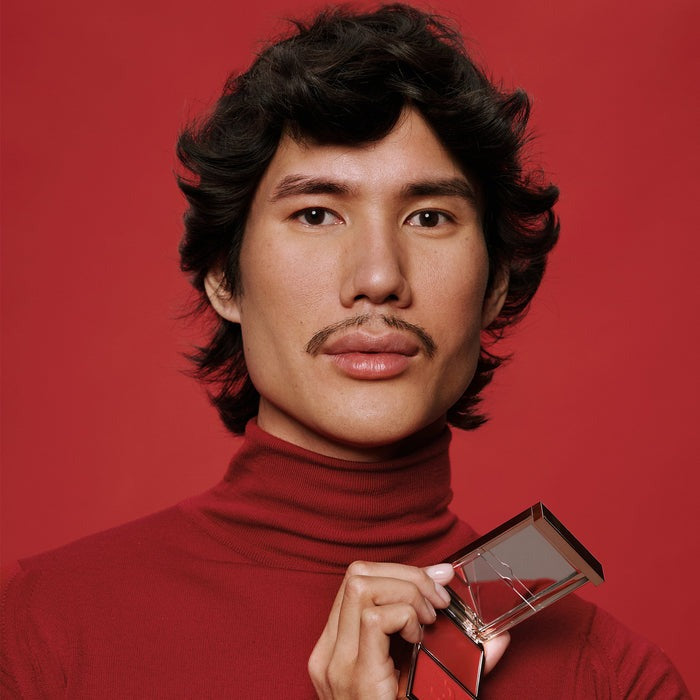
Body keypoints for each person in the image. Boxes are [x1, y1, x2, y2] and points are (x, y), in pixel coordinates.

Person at [1, 4, 690, 698]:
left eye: (429, 217)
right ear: (224, 279)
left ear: (495, 286)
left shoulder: (611, 678)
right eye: (316, 214)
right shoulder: (43, 634)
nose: (379, 277)